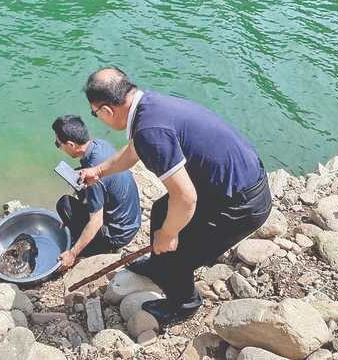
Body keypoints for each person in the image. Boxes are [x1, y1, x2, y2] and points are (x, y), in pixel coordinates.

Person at [78, 68, 271, 326]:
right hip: (235, 184)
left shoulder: (149, 130)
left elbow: (186, 198)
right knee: (161, 211)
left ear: (106, 110)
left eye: (95, 113)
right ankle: (160, 267)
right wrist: (99, 171)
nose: (97, 118)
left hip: (242, 205)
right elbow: (132, 152)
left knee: (176, 248)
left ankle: (185, 303)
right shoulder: (150, 106)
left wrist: (168, 235)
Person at [52, 115, 141, 268]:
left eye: (58, 144)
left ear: (71, 145)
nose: (58, 147)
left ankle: (92, 249)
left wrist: (72, 253)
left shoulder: (93, 178)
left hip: (117, 235)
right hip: (132, 221)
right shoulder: (100, 145)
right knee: (78, 174)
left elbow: (96, 221)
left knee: (64, 205)